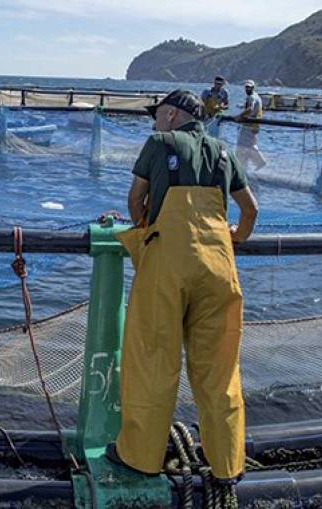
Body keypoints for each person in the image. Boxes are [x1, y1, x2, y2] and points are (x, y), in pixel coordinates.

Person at [105, 90, 258, 489]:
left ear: (171, 115)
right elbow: (250, 210)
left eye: (157, 115)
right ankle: (227, 462)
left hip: (167, 267)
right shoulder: (224, 151)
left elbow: (136, 199)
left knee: (154, 361)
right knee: (219, 368)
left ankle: (139, 457)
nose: (154, 122)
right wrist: (236, 235)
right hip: (218, 267)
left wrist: (144, 227)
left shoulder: (159, 143)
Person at [235, 79, 267, 171]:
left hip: (249, 125)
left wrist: (239, 116)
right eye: (246, 87)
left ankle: (240, 166)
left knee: (242, 145)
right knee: (250, 144)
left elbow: (250, 109)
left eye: (249, 87)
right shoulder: (257, 97)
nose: (247, 89)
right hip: (255, 125)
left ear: (253, 88)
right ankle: (259, 161)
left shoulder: (252, 97)